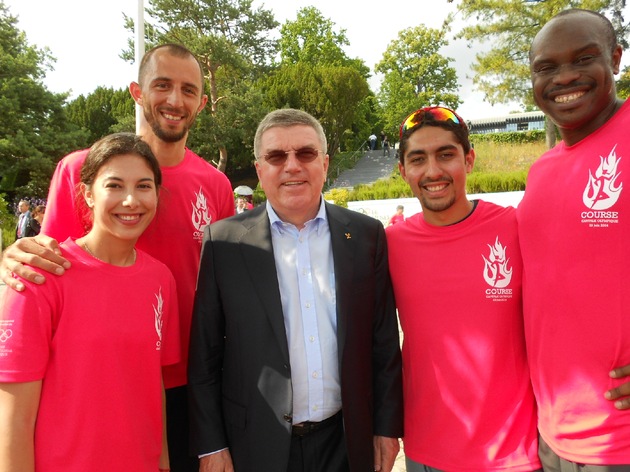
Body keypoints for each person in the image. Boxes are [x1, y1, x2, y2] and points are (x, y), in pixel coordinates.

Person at [0, 44, 235, 472]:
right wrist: (13, 257)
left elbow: (224, 290)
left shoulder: (215, 186)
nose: (175, 100)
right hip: (92, 388)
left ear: (202, 103)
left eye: (188, 90)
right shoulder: (79, 170)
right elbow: (43, 264)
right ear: (137, 92)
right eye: (162, 85)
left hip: (184, 384)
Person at [188, 108, 403, 472]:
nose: (292, 166)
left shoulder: (366, 236)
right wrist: (211, 445)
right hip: (256, 444)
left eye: (305, 153)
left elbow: (383, 343)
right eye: (276, 156)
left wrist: (386, 428)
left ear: (325, 163)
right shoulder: (224, 243)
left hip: (345, 442)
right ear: (259, 170)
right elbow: (204, 355)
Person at [0, 133, 180, 471]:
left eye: (144, 186)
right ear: (87, 194)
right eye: (114, 185)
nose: (131, 200)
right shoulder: (40, 276)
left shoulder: (161, 279)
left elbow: (151, 380)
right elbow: (13, 420)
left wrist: (162, 461)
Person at [387, 106, 541, 472]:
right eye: (418, 159)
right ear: (403, 171)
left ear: (469, 160)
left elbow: (583, 289)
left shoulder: (515, 227)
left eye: (446, 155)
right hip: (426, 452)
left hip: (512, 454)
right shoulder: (389, 244)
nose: (433, 171)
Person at [519, 9, 630, 469]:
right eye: (546, 67)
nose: (564, 77)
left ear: (615, 59)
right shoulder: (542, 171)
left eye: (583, 59)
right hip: (555, 436)